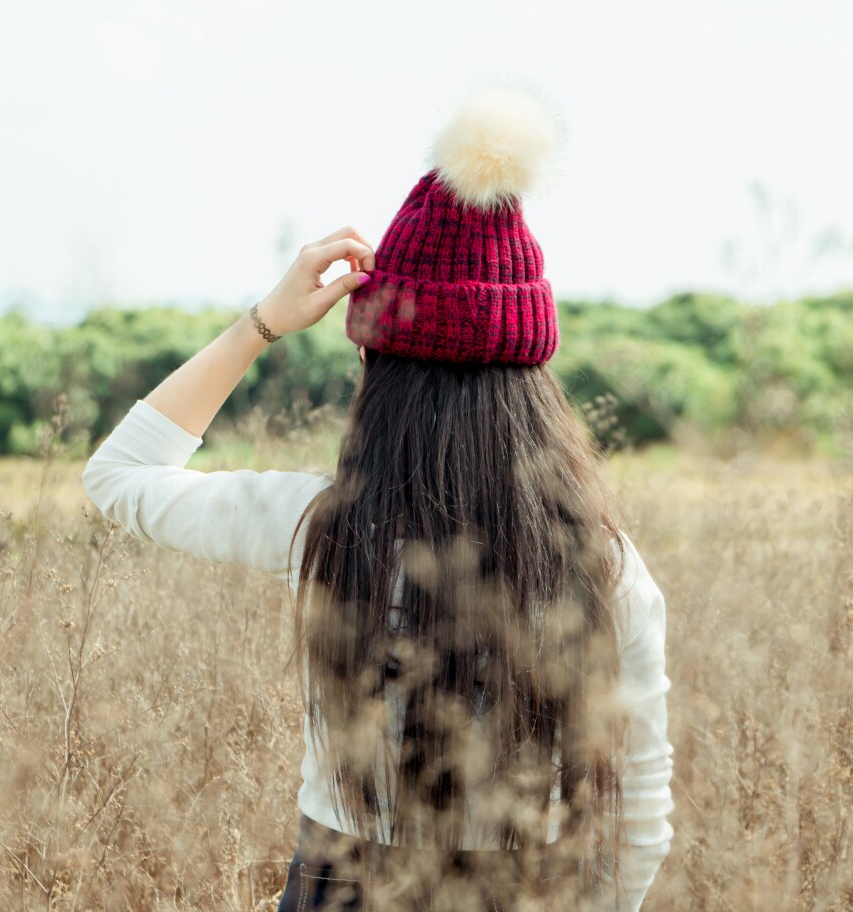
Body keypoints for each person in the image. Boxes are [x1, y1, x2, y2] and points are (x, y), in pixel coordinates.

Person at [82, 82, 673, 911]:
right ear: (536, 386)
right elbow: (639, 823)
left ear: (372, 369)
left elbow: (119, 476)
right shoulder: (601, 568)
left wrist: (263, 322)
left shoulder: (326, 528)